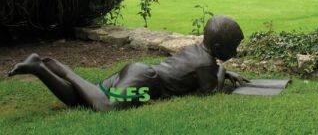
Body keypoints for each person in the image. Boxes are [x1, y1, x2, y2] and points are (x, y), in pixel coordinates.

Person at [8, 15, 248, 112]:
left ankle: (39, 67)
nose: (235, 52)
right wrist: (224, 70)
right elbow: (212, 91)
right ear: (217, 49)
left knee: (79, 100)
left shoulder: (198, 51)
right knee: (108, 106)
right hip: (145, 84)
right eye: (233, 47)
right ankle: (63, 70)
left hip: (141, 75)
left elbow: (203, 74)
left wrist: (222, 70)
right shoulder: (207, 63)